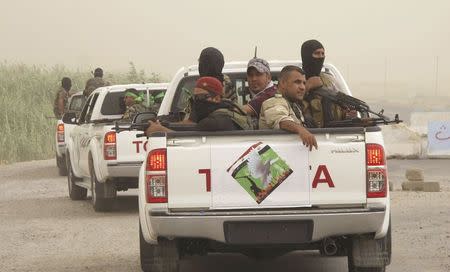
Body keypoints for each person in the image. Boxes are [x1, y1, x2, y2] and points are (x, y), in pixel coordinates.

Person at [146, 76, 251, 134]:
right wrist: (163, 124)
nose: (198, 102)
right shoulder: (227, 109)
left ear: (217, 98)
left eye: (201, 97)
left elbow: (187, 138)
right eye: (195, 98)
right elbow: (191, 126)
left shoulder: (214, 121)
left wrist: (160, 130)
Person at [259, 65, 317, 150]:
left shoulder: (294, 105)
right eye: (297, 82)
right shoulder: (273, 102)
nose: (302, 87)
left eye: (304, 83)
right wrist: (301, 130)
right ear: (282, 83)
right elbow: (282, 120)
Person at [301, 40, 347, 128]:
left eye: (322, 54)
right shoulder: (297, 78)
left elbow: (341, 104)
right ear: (307, 55)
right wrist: (307, 87)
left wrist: (347, 113)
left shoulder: (330, 80)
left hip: (334, 132)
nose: (320, 57)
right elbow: (286, 101)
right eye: (317, 53)